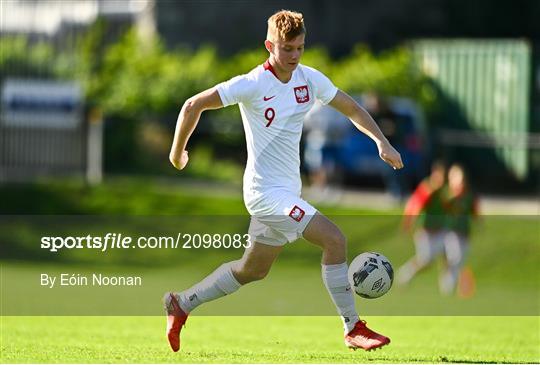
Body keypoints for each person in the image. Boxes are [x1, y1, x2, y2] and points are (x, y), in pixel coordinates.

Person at [166, 10, 403, 353]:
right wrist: (177, 154)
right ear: (270, 45)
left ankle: (182, 303)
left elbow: (352, 108)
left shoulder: (308, 79)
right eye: (287, 49)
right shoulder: (252, 84)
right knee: (334, 240)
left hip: (287, 192)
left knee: (252, 270)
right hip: (264, 194)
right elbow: (192, 105)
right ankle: (353, 328)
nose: (294, 56)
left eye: (300, 48)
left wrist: (381, 141)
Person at [397, 161, 447, 287]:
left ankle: (447, 286)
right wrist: (408, 224)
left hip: (441, 231)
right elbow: (414, 206)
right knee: (425, 261)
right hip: (426, 232)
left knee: (447, 257)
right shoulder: (427, 189)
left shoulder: (444, 191)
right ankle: (404, 275)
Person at [440, 163, 479, 296]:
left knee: (460, 260)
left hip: (464, 232)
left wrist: (478, 221)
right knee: (455, 258)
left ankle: (452, 285)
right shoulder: (448, 194)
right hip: (451, 232)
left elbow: (474, 211)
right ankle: (447, 286)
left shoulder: (468, 195)